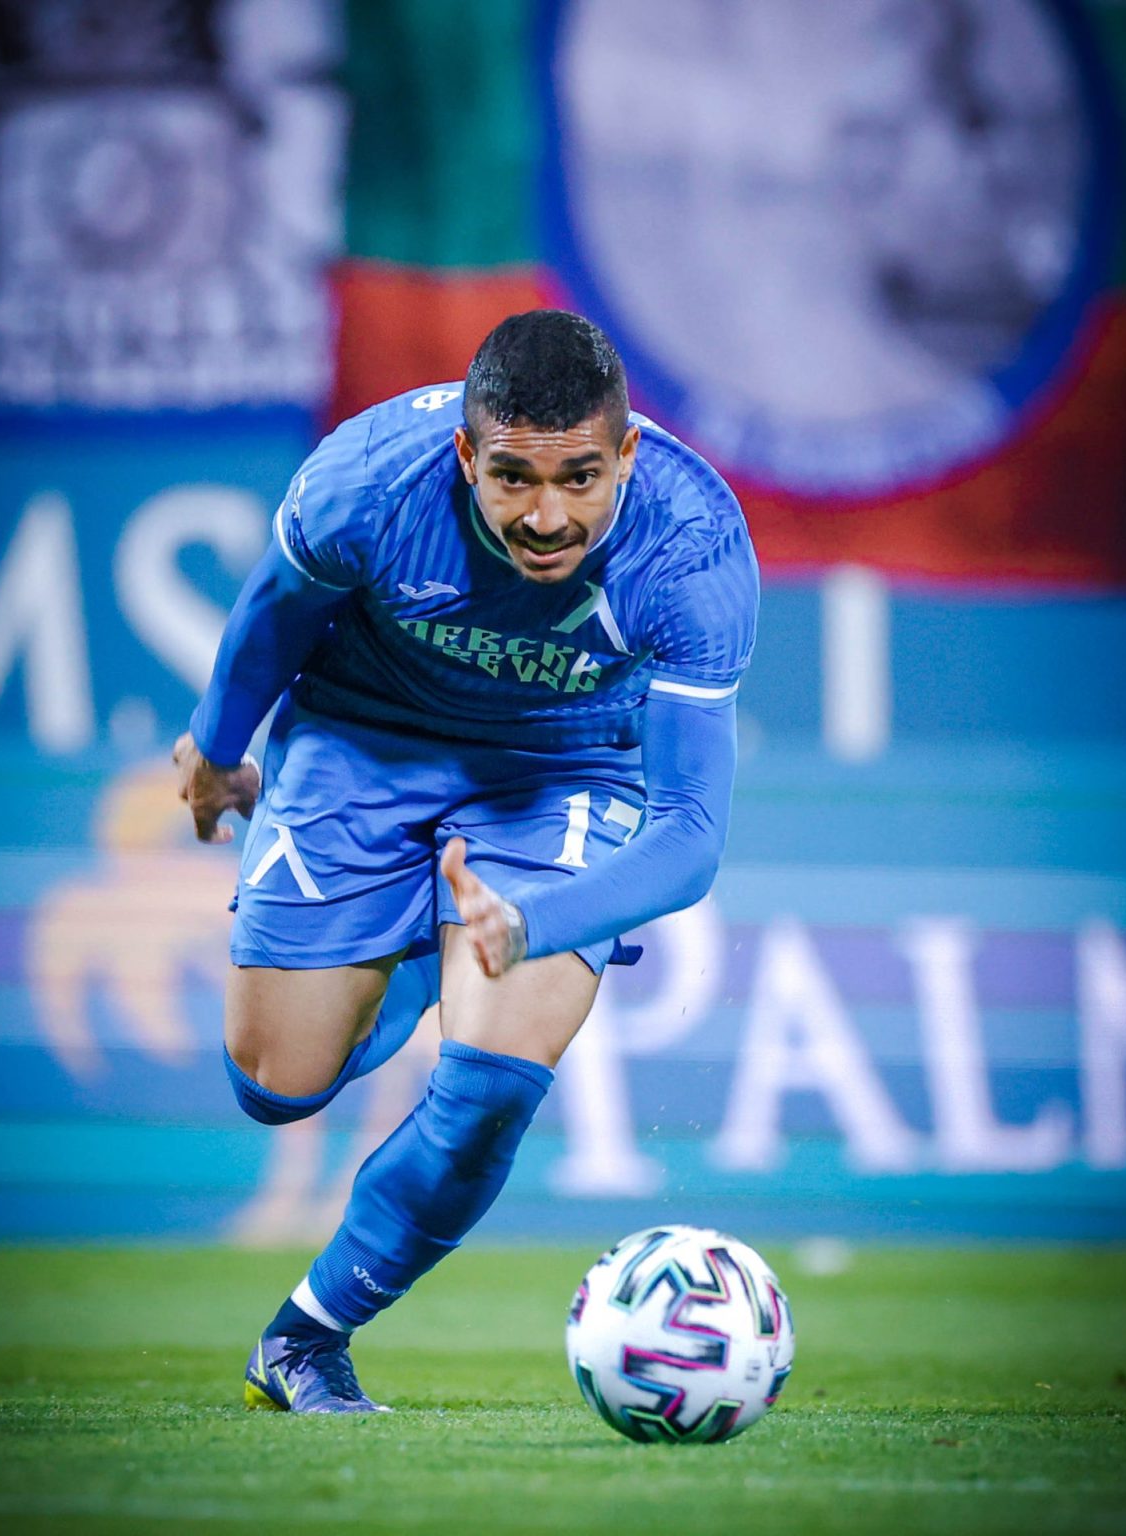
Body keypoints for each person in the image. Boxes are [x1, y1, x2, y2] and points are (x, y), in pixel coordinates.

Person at [174, 310, 759, 1414]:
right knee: (275, 1088)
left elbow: (690, 834)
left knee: (490, 1082)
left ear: (628, 454)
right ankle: (411, 949)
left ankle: (306, 1339)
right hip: (362, 736)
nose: (548, 517)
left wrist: (534, 924)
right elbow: (272, 615)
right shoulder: (367, 482)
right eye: (513, 480)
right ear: (464, 457)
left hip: (564, 770)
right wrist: (214, 750)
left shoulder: (692, 546)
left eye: (582, 478)